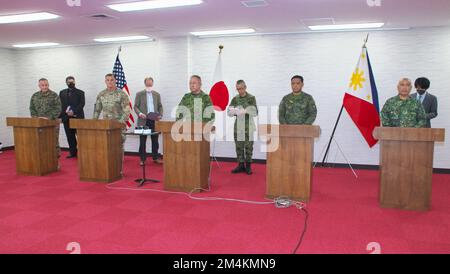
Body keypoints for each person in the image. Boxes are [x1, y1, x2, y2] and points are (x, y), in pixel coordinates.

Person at [227, 80, 258, 175]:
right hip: (238, 126)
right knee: (239, 147)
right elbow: (229, 111)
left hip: (248, 126)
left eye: (241, 88)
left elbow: (255, 112)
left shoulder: (251, 98)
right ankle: (240, 165)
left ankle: (248, 166)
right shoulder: (235, 99)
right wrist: (232, 112)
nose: (239, 91)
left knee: (248, 147)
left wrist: (246, 111)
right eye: (238, 89)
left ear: (245, 87)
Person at [93, 73, 132, 146]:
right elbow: (97, 110)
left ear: (115, 81)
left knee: (118, 147)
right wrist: (94, 123)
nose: (110, 82)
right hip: (106, 126)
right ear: (105, 81)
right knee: (106, 146)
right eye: (107, 80)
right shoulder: (101, 94)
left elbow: (126, 111)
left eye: (112, 80)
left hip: (118, 126)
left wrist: (119, 124)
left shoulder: (122, 94)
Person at [134, 77, 163, 165]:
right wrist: (140, 114)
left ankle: (156, 157)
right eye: (147, 84)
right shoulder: (139, 94)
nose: (149, 85)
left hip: (154, 119)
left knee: (155, 140)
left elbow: (160, 106)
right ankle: (142, 159)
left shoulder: (157, 94)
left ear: (152, 84)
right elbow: (135, 107)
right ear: (145, 84)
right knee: (142, 141)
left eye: (150, 84)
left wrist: (160, 115)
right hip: (143, 120)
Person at [29, 78, 62, 158]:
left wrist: (49, 117)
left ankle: (55, 160)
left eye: (46, 85)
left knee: (53, 141)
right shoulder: (35, 96)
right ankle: (43, 160)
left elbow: (58, 108)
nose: (44, 87)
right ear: (39, 86)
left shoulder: (54, 95)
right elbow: (32, 108)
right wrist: (36, 117)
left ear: (48, 85)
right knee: (41, 142)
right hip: (39, 123)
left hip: (52, 123)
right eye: (42, 85)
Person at [59, 76, 85, 158]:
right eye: (69, 82)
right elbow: (60, 105)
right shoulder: (62, 92)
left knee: (80, 136)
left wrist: (73, 112)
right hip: (66, 118)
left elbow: (82, 104)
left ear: (75, 82)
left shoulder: (81, 92)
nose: (71, 83)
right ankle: (73, 152)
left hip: (77, 117)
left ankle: (82, 152)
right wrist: (60, 117)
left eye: (73, 82)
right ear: (66, 83)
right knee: (70, 136)